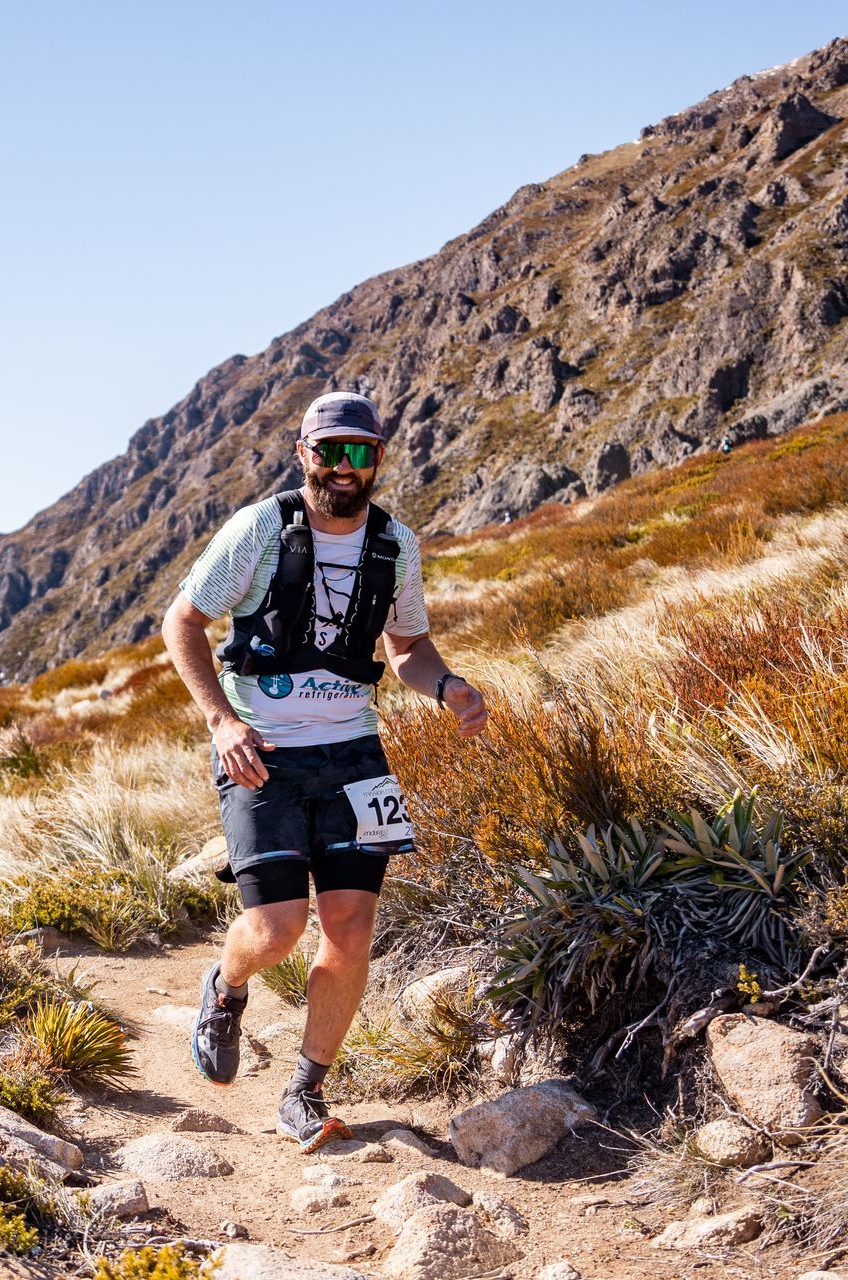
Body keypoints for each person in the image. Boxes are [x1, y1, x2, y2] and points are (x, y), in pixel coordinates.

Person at [160, 389, 488, 1153]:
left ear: (378, 455)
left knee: (350, 930)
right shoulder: (259, 531)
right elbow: (183, 622)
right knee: (276, 930)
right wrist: (222, 720)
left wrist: (448, 686)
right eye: (329, 451)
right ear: (304, 453)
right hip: (263, 752)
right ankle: (226, 985)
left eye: (360, 452)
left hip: (355, 756)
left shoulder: (394, 544)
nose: (344, 467)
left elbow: (406, 649)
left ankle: (306, 1090)